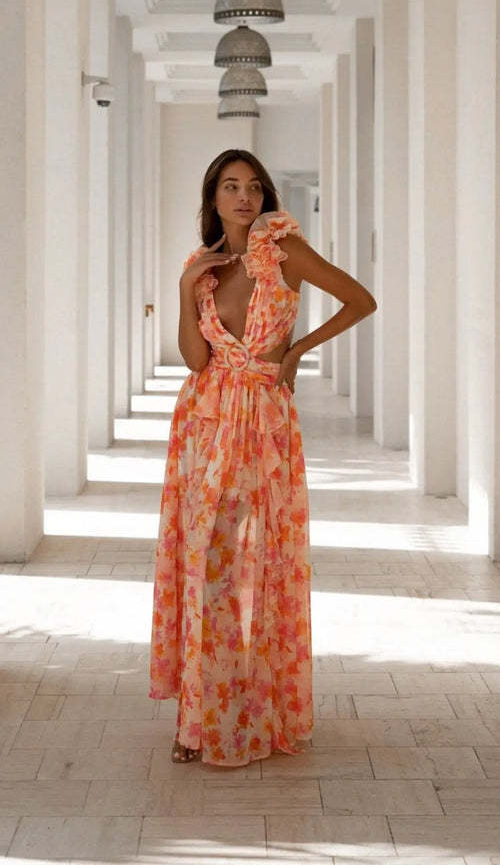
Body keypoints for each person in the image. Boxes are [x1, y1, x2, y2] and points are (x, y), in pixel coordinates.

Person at [149, 148, 377, 766]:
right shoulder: (202, 268)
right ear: (213, 198)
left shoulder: (284, 251)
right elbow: (195, 360)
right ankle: (198, 718)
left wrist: (297, 349)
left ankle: (255, 709)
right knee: (204, 565)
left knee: (255, 565)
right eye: (230, 186)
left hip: (262, 421)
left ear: (266, 195)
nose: (244, 197)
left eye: (253, 186)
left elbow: (361, 300)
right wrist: (185, 289)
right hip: (203, 422)